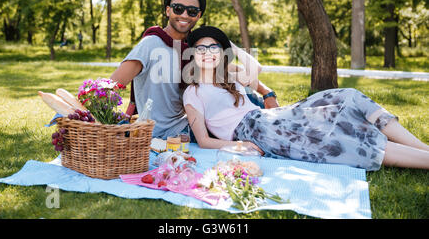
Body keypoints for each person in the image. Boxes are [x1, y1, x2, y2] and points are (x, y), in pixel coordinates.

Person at [182, 26, 429, 171]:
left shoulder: (231, 74)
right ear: (193, 54)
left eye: (213, 48)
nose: (207, 53)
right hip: (255, 132)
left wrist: (228, 44)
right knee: (342, 141)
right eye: (201, 48)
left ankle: (423, 149)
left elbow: (255, 67)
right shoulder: (193, 93)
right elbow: (203, 141)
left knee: (350, 97)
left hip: (271, 117)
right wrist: (240, 146)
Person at [110, 0, 278, 140]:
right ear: (168, 11)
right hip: (169, 132)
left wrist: (267, 92)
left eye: (191, 11)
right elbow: (108, 87)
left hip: (196, 122)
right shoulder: (151, 44)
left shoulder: (196, 49)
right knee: (264, 128)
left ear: (198, 16)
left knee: (249, 97)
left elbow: (243, 73)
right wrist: (93, 120)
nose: (184, 15)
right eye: (178, 9)